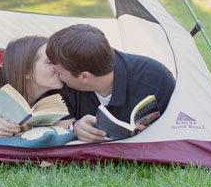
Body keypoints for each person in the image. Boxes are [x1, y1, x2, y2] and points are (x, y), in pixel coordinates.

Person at [46, 24, 176, 142]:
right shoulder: (60, 85)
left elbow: (179, 126)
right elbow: (54, 130)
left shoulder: (157, 80)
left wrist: (155, 132)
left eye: (60, 72)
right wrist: (74, 128)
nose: (55, 74)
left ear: (85, 77)